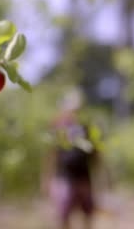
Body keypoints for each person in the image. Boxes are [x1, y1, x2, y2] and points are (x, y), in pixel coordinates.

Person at [42, 91, 102, 229]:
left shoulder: (87, 128)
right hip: (64, 177)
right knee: (63, 213)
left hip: (83, 176)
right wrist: (47, 178)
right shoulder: (58, 127)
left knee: (88, 212)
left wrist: (100, 178)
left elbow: (96, 154)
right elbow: (51, 154)